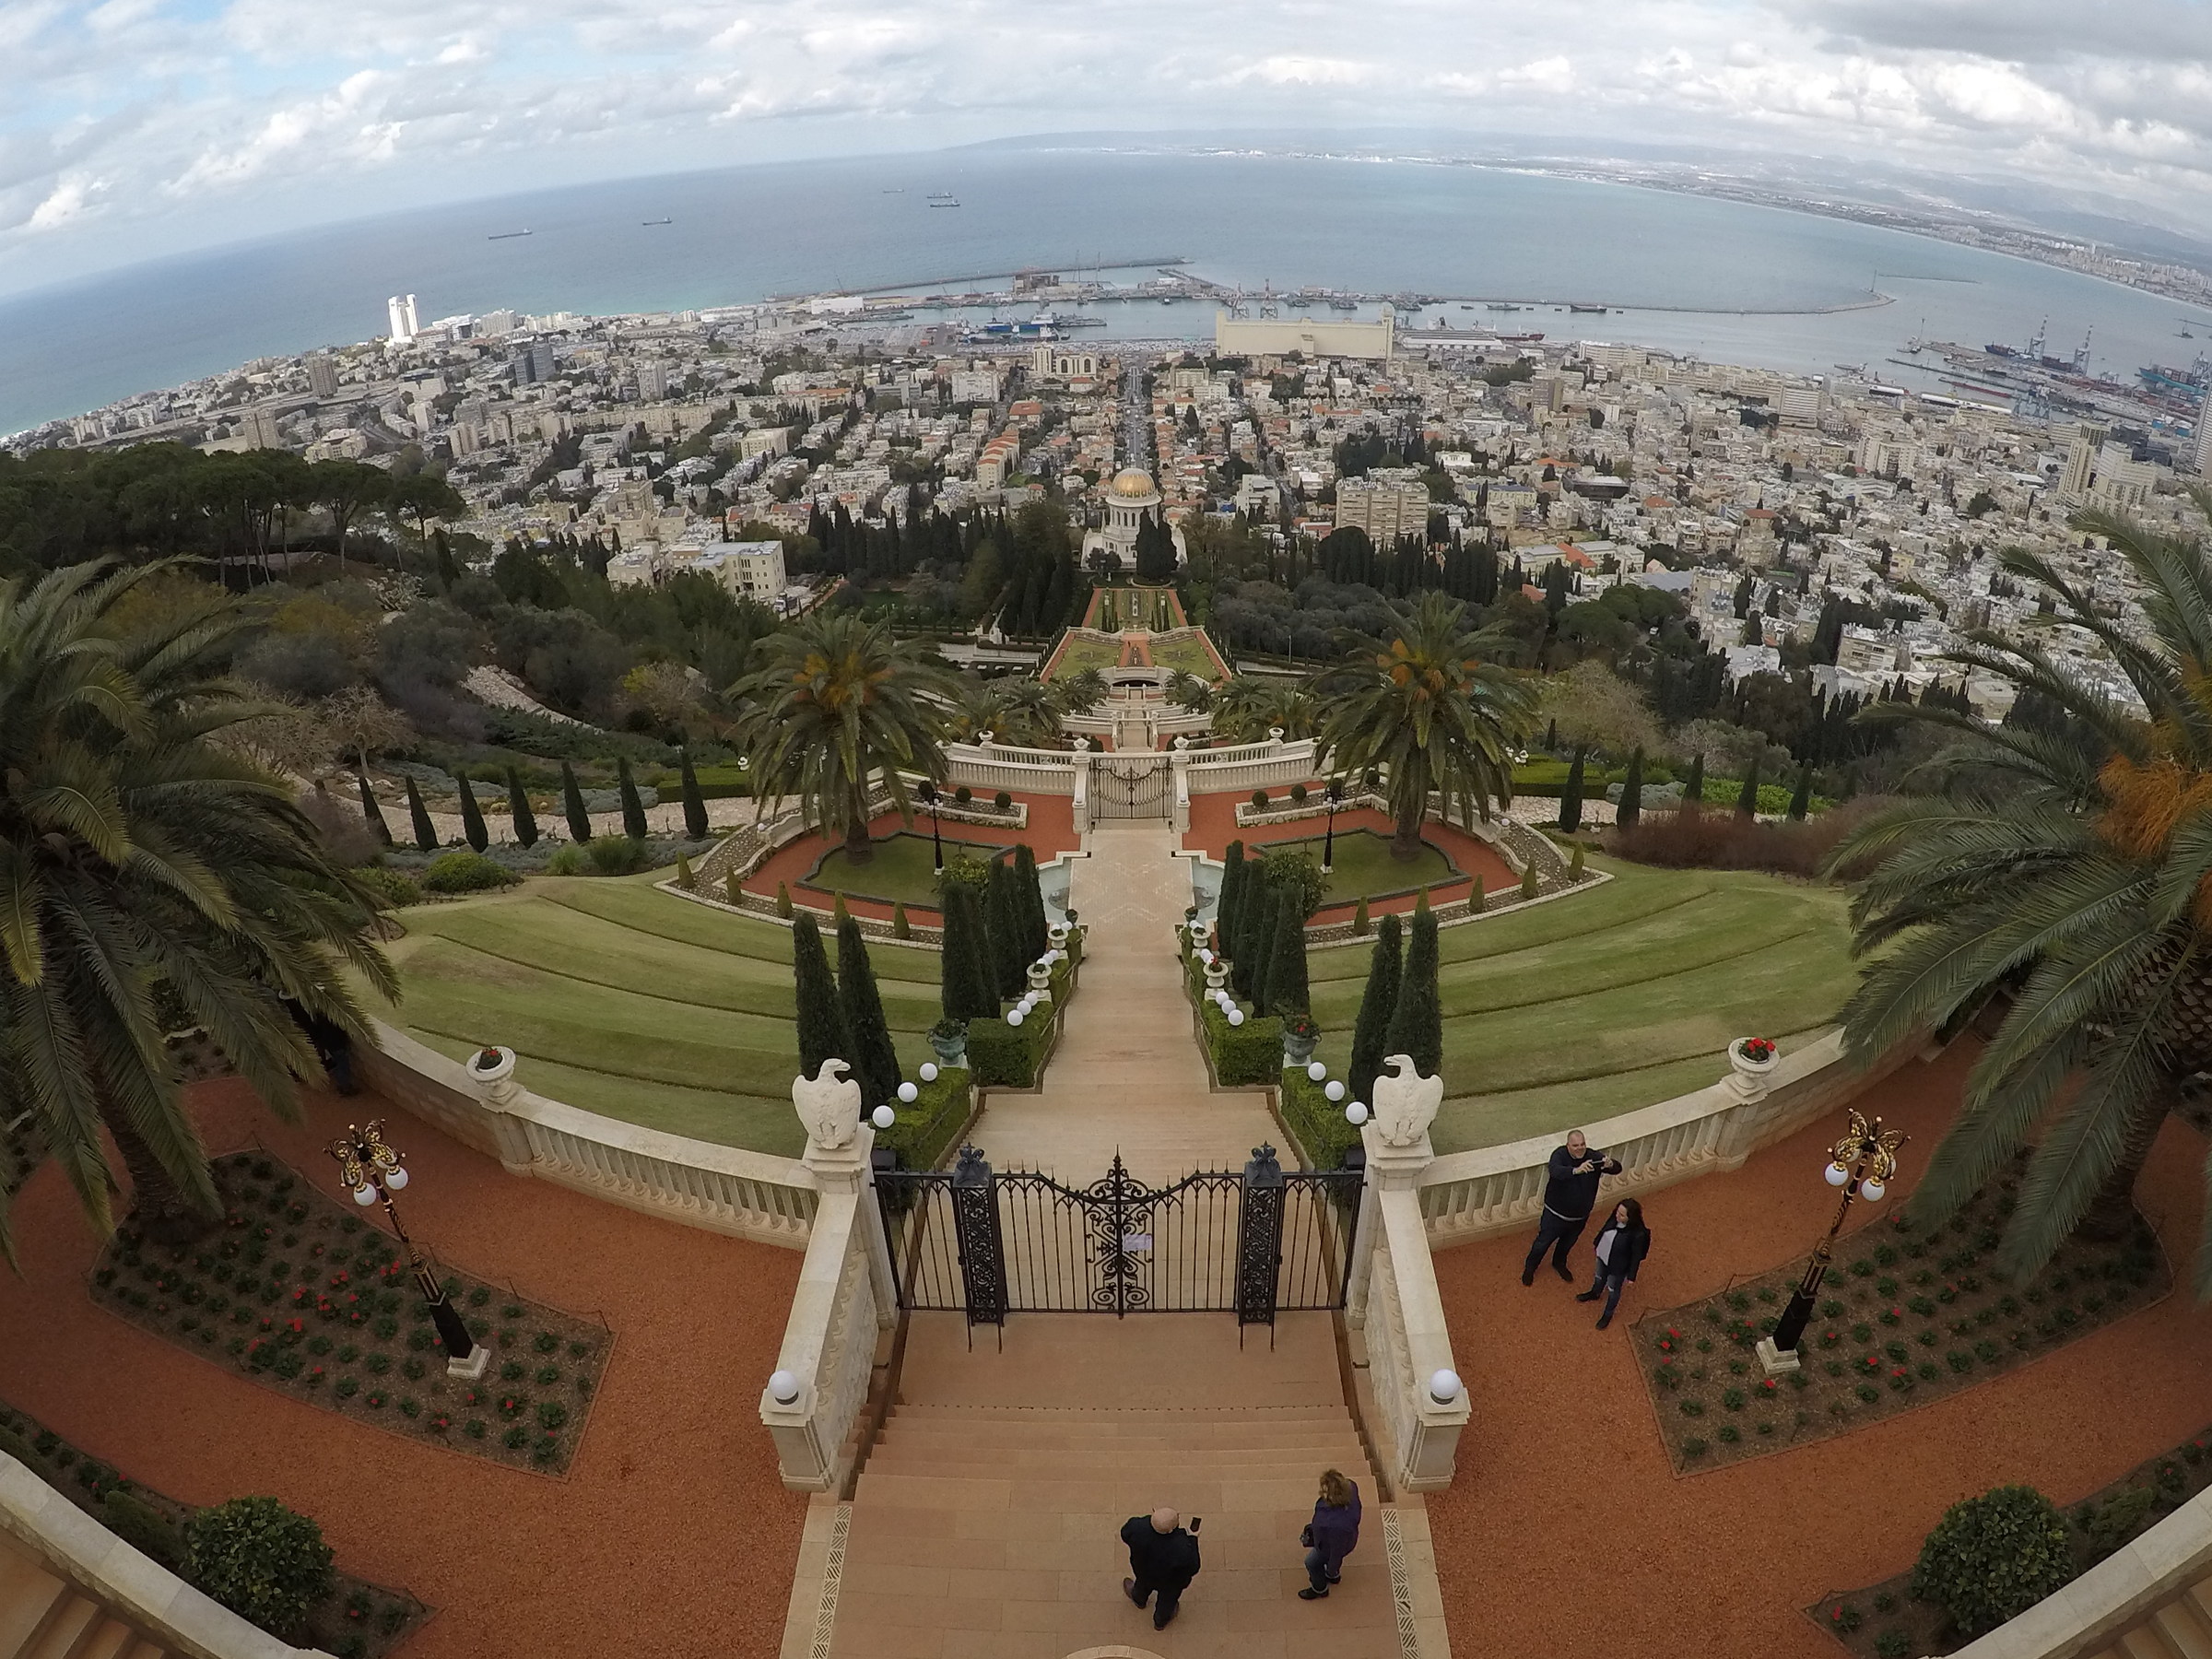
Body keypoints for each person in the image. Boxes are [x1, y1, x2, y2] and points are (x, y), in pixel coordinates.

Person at [1521, 1130, 1621, 1285]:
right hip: (1555, 1215)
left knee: (1567, 1244)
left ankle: (1559, 1263)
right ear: (1568, 1145)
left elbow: (1617, 1169)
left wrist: (1610, 1164)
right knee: (1542, 1243)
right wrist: (1576, 1170)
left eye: (1582, 1144)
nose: (1580, 1148)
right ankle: (1530, 1267)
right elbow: (1555, 1171)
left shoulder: (1592, 1156)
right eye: (1575, 1145)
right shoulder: (1559, 1155)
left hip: (1579, 1217)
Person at [1576, 1197, 1652, 1329]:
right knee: (1599, 1277)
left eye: (1622, 1215)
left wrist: (1631, 1275)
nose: (1617, 1216)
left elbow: (1636, 1256)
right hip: (1603, 1256)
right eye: (1617, 1212)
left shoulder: (1637, 1234)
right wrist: (1597, 1242)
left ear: (1631, 1218)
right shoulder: (1614, 1218)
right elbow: (1604, 1229)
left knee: (1613, 1290)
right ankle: (1595, 1293)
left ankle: (1607, 1314)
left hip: (1618, 1267)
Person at [1121, 1507, 1201, 1630]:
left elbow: (1125, 1534)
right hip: (1170, 1582)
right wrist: (1192, 1538)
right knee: (1167, 1600)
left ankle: (1139, 1599)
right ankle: (1160, 1621)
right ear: (1170, 1530)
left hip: (1143, 1570)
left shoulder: (1137, 1526)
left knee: (1142, 1584)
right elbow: (1194, 1567)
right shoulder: (1182, 1547)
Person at [1299, 1468, 1362, 1600]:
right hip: (1348, 1539)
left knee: (1311, 1563)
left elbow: (1336, 1551)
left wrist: (1331, 1569)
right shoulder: (1352, 1487)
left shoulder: (1335, 1525)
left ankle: (1320, 1588)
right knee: (1335, 1557)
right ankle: (1333, 1576)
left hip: (1327, 1545)